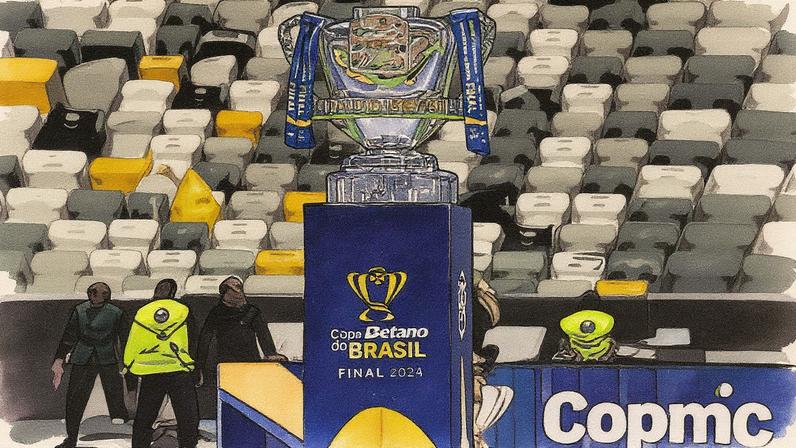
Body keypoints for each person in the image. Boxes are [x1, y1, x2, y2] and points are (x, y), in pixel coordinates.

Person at [52, 282, 129, 448]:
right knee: (75, 399)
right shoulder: (80, 310)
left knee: (114, 392)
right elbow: (69, 336)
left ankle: (120, 416)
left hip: (107, 357)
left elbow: (124, 339)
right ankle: (71, 438)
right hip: (83, 357)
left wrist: (126, 362)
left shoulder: (116, 313)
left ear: (106, 295)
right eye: (92, 292)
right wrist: (59, 358)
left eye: (99, 293)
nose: (94, 295)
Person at [125, 279, 199, 448]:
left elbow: (134, 339)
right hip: (179, 369)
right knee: (187, 416)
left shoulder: (143, 312)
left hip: (151, 370)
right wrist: (194, 364)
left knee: (145, 416)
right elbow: (192, 339)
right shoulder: (183, 309)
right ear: (173, 292)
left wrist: (129, 364)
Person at [196, 276, 284, 384]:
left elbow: (263, 334)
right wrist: (199, 365)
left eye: (239, 289)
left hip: (250, 361)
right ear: (225, 292)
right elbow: (206, 338)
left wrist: (270, 353)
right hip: (226, 362)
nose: (238, 293)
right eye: (233, 289)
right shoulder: (216, 312)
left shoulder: (252, 311)